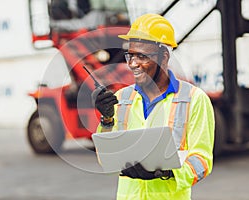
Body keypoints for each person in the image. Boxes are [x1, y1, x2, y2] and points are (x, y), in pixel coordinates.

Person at [91, 13, 215, 200]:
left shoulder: (194, 99)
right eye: (130, 56)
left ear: (163, 56)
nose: (133, 64)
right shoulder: (121, 98)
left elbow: (202, 161)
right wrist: (107, 120)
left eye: (141, 56)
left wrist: (167, 173)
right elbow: (106, 158)